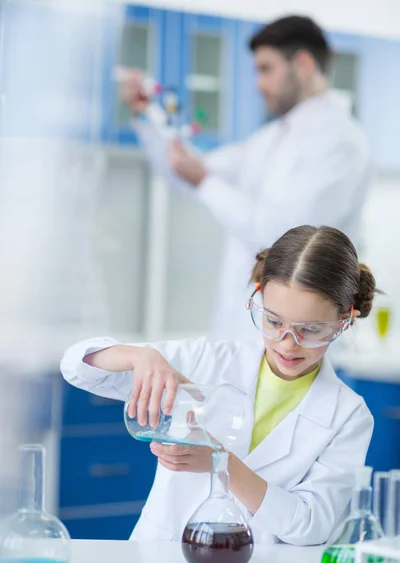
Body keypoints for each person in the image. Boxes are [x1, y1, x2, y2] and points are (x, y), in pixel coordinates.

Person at [61, 225, 376, 545]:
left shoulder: (348, 416)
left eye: (310, 329)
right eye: (274, 321)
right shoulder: (209, 358)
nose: (287, 344)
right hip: (161, 560)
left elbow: (312, 525)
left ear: (344, 321)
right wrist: (139, 357)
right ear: (258, 298)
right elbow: (76, 367)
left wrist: (221, 464)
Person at [119, 15, 371, 341]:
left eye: (266, 69)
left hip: (295, 344)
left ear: (303, 64)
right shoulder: (271, 138)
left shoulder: (340, 142)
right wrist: (145, 115)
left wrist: (205, 181)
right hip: (242, 334)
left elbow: (286, 239)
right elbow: (188, 168)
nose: (258, 84)